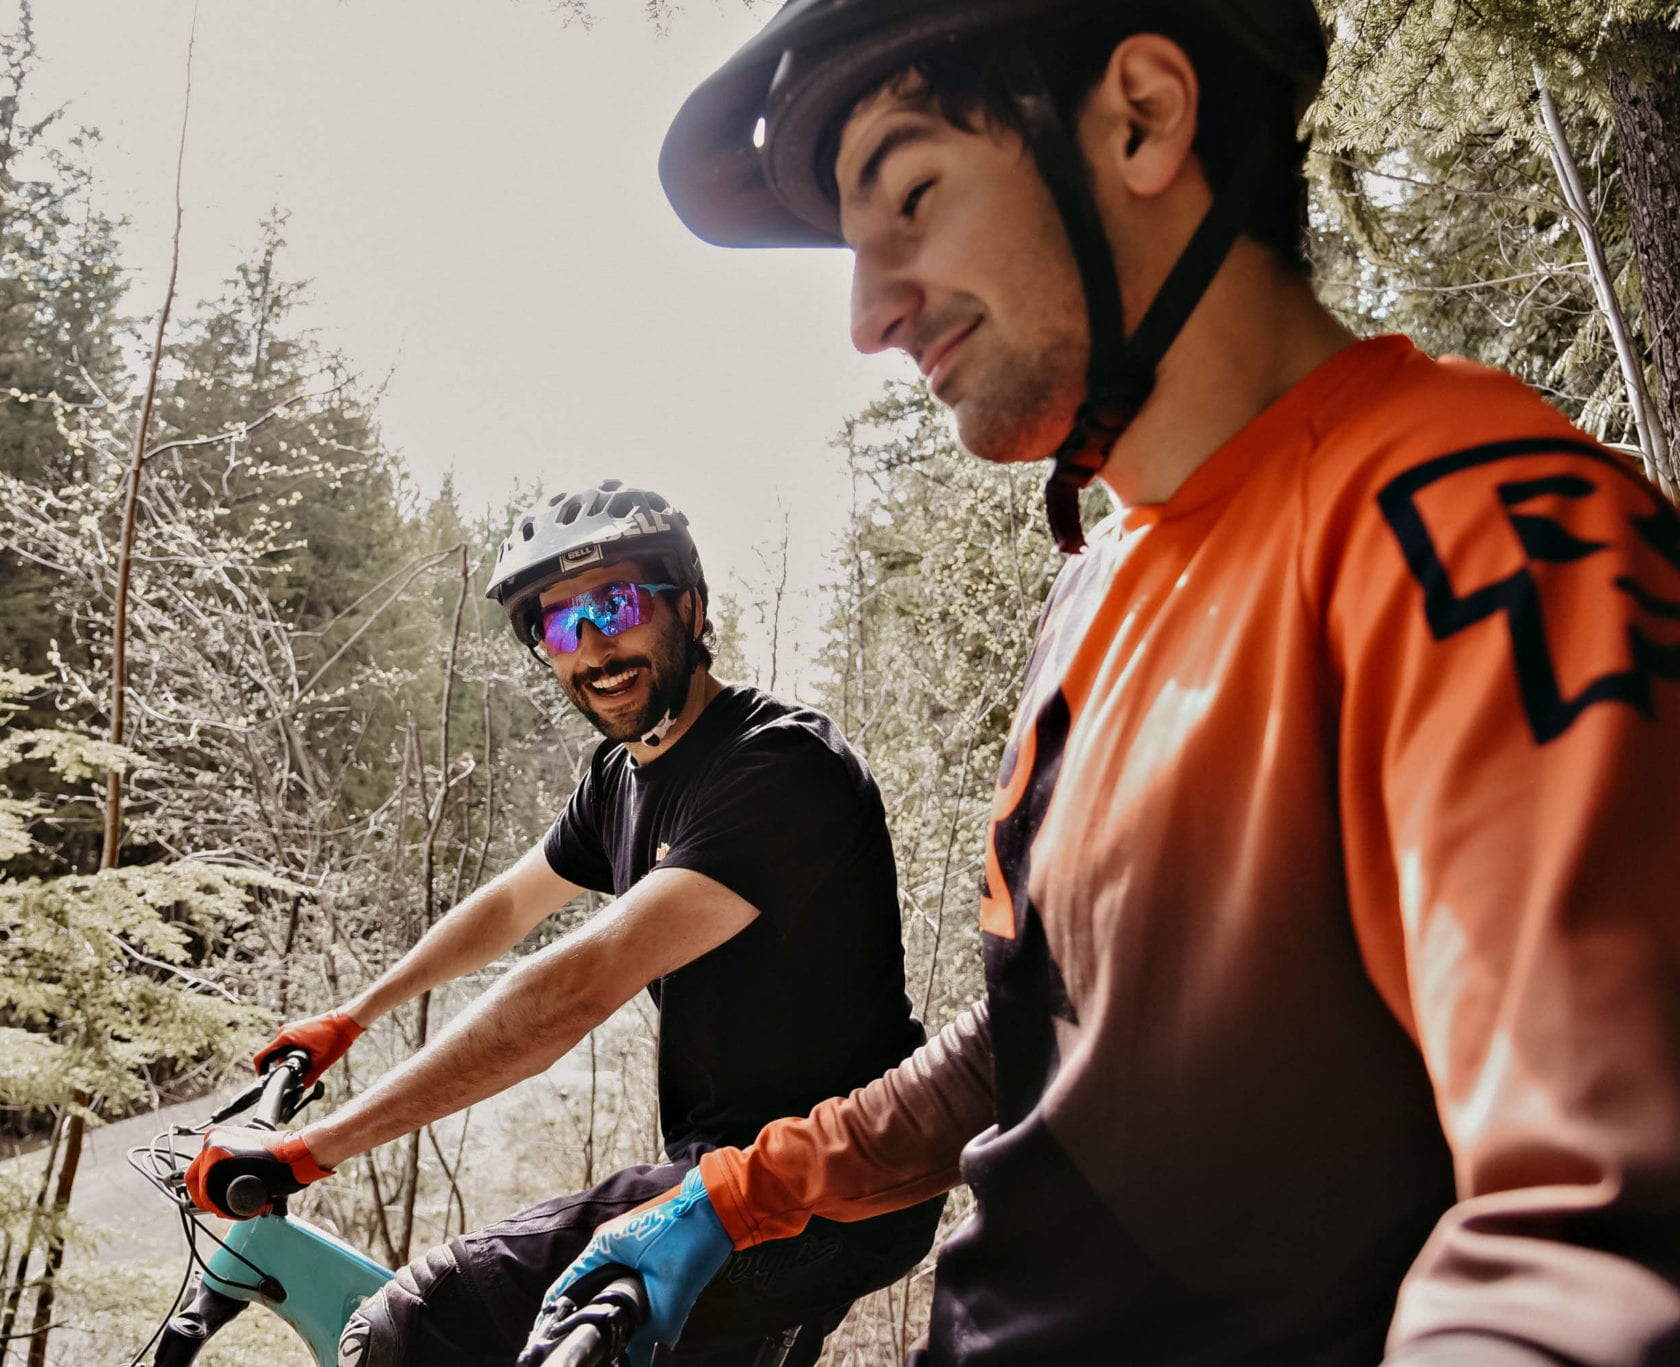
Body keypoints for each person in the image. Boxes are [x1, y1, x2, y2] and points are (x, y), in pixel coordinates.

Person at [535, 3, 1680, 1364]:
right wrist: (737, 1191)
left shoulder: (1484, 535)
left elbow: (1597, 1240)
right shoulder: (1102, 578)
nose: (868, 311)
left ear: (1141, 115)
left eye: (911, 194)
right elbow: (1051, 1034)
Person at [184, 481, 945, 1365]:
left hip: (826, 1182)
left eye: (616, 604)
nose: (593, 645)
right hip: (726, 1173)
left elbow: (574, 987)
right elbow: (509, 905)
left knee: (417, 1324)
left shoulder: (779, 766)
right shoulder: (620, 777)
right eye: (559, 626)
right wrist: (349, 1019)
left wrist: (313, 1148)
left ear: (688, 606)